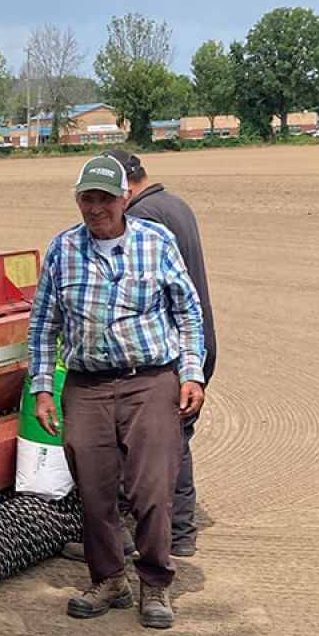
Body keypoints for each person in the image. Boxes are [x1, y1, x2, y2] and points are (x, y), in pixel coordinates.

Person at [28, 153, 205, 629]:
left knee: (150, 490)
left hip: (149, 380)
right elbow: (43, 325)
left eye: (105, 197)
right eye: (87, 197)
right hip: (86, 385)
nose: (95, 207)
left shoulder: (156, 242)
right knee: (95, 491)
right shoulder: (63, 250)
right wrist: (43, 389)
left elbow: (188, 313)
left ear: (125, 198)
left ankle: (155, 583)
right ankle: (109, 579)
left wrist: (191, 374)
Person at [113, 149, 216, 556]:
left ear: (124, 187)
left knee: (159, 442)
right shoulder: (176, 205)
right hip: (201, 339)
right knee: (176, 437)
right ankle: (177, 531)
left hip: (171, 346)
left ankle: (173, 533)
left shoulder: (145, 219)